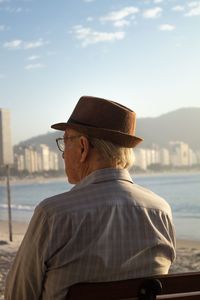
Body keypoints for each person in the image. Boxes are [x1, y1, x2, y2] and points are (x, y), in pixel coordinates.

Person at [5, 96, 176, 300]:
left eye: (64, 142)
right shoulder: (161, 211)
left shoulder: (53, 215)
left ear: (83, 147)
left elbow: (18, 295)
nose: (62, 155)